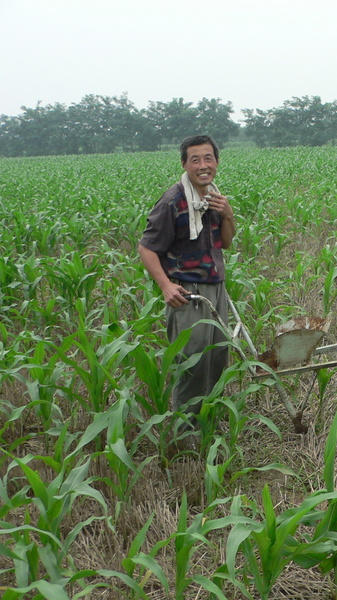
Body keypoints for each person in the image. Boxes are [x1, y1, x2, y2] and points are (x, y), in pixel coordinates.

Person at [138, 134, 237, 431]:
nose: (203, 165)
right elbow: (146, 248)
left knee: (217, 357)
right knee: (192, 363)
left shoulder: (214, 198)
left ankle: (208, 424)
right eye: (195, 160)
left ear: (217, 162)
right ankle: (184, 433)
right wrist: (166, 286)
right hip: (187, 293)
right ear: (184, 164)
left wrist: (228, 214)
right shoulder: (173, 202)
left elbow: (226, 243)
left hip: (215, 287)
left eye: (208, 158)